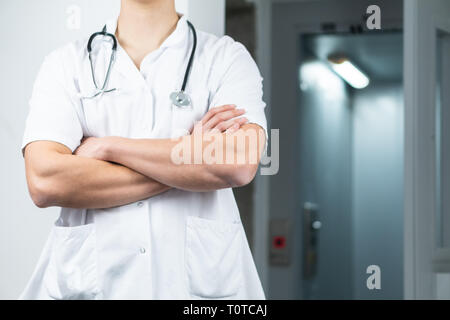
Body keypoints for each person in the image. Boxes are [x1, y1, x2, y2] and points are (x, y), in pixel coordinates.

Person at [21, 0, 267, 299]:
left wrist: (108, 147)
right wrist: (191, 159)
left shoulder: (225, 58)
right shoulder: (66, 64)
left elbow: (238, 161)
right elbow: (45, 181)